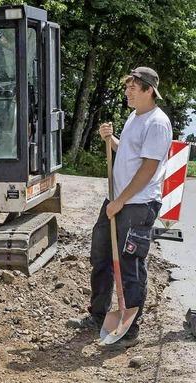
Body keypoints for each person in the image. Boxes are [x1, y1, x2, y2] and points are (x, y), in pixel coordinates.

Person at [85, 67, 172, 348]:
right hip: (117, 200)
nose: (127, 92)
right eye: (127, 87)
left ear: (149, 90)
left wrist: (120, 202)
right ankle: (97, 315)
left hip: (137, 204)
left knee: (130, 264)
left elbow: (148, 168)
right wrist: (110, 140)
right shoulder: (135, 116)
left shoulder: (157, 123)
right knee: (100, 255)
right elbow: (129, 153)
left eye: (133, 87)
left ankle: (130, 328)